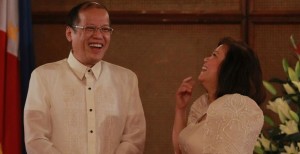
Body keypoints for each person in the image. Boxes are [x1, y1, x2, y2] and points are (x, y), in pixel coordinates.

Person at [24, 1, 146, 154]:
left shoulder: (127, 79)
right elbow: (36, 139)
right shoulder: (43, 77)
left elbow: (134, 138)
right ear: (69, 33)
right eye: (90, 28)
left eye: (105, 29)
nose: (98, 35)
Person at [172, 37, 266, 154]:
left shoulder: (238, 106)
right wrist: (180, 109)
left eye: (214, 55)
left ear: (230, 69)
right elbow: (180, 149)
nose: (205, 59)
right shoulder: (201, 106)